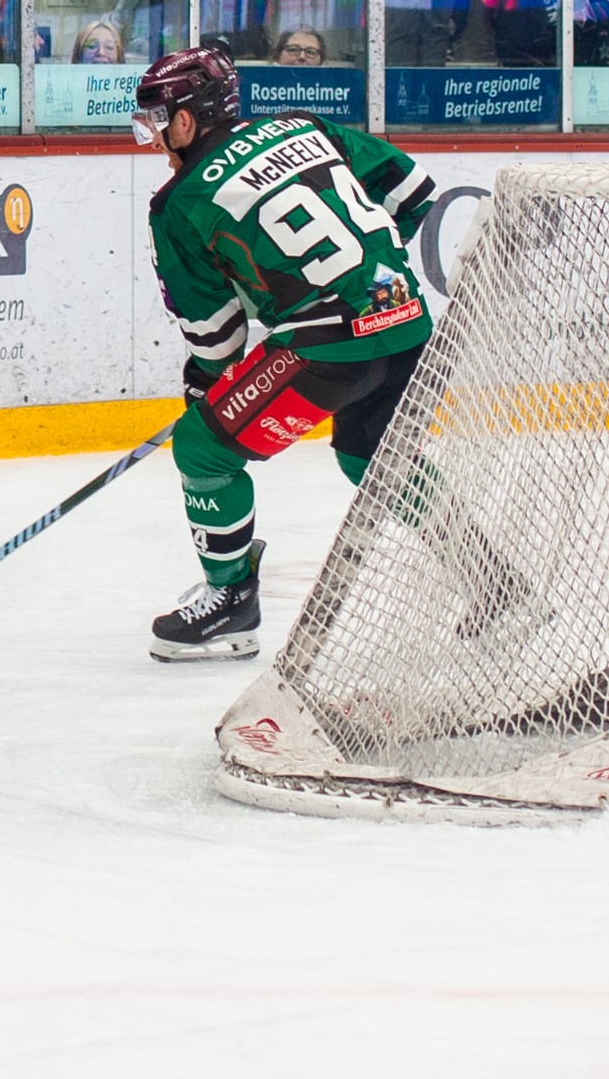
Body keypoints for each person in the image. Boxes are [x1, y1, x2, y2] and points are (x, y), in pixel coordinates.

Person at [133, 44, 437, 660]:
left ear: (186, 121)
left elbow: (218, 338)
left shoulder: (180, 203)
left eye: (158, 123)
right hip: (406, 319)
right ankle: (493, 577)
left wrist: (207, 386)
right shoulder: (301, 127)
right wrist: (366, 277)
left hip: (329, 351)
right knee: (369, 460)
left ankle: (231, 603)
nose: (156, 142)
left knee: (203, 450)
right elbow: (415, 191)